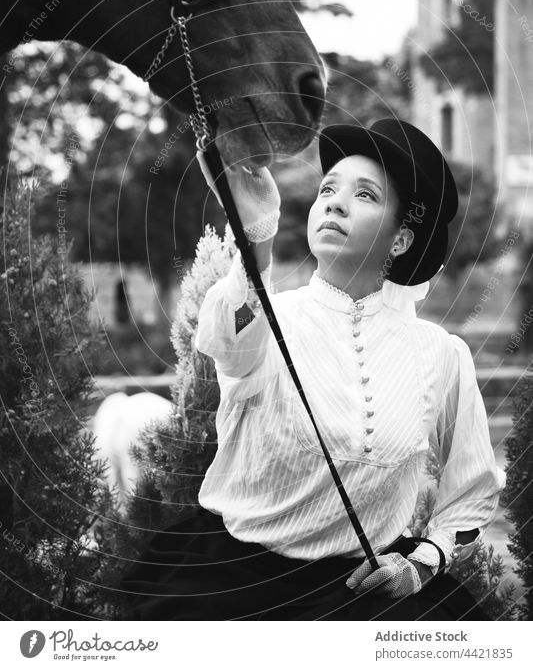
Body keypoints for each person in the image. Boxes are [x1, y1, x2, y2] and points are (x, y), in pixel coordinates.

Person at [121, 119, 505, 621]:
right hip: (236, 585)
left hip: (362, 594)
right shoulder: (267, 319)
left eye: (365, 195)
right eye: (328, 188)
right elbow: (233, 341)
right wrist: (256, 229)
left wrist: (422, 564)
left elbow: (470, 490)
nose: (335, 202)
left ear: (400, 242)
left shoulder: (441, 354)